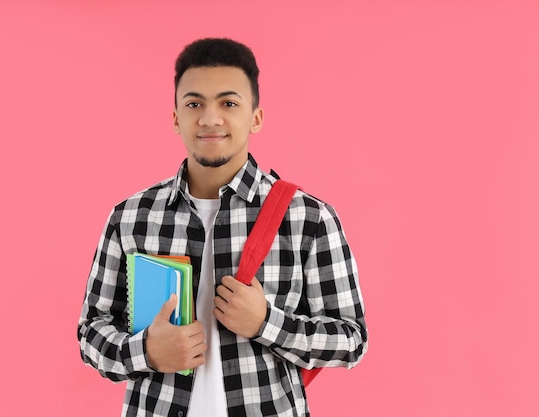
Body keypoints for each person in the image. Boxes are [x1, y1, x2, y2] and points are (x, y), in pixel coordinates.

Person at [77, 38, 368, 417]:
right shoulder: (131, 216)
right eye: (194, 103)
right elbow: (91, 333)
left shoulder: (308, 218)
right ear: (176, 117)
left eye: (228, 103)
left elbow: (351, 339)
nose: (210, 118)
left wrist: (266, 323)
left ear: (256, 117)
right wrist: (146, 351)